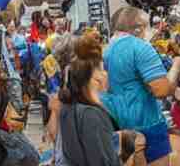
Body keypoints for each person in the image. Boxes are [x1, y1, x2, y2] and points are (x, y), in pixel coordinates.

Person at [102, 7, 180, 166]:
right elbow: (161, 90)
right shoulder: (140, 47)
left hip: (120, 125)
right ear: (138, 28)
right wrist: (178, 64)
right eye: (147, 25)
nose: (151, 31)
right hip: (148, 124)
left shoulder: (108, 49)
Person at [58, 33, 145, 166]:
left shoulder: (67, 107)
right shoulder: (92, 115)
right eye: (103, 69)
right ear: (96, 77)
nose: (106, 74)